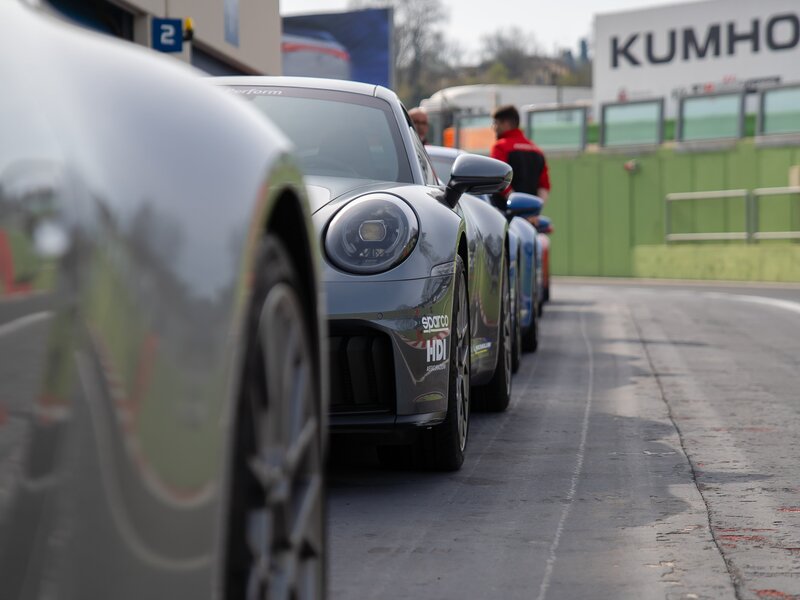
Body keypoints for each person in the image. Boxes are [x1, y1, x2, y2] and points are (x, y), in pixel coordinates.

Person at [489, 104, 550, 213]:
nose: (493, 128)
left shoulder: (500, 147)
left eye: (495, 123)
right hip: (530, 220)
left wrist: (517, 205)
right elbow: (544, 186)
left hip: (505, 216)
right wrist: (533, 212)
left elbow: (499, 179)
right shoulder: (537, 150)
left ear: (506, 124)